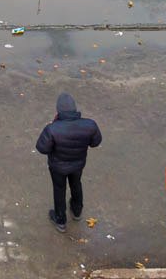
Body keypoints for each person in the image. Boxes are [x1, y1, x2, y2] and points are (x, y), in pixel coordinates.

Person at [35, 93, 103, 233]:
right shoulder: (90, 125)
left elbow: (42, 148)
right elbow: (95, 142)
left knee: (59, 189)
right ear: (74, 109)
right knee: (76, 183)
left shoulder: (52, 129)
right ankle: (77, 211)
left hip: (58, 167)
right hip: (78, 164)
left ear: (58, 111)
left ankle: (60, 220)